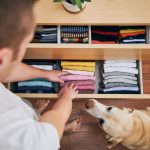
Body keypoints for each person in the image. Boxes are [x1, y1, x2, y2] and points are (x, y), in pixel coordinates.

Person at [0, 0, 80, 150]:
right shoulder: (19, 139)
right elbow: (49, 134)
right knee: (56, 127)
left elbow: (6, 71)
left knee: (31, 110)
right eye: (25, 44)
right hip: (40, 134)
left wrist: (45, 74)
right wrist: (66, 98)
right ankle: (64, 128)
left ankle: (36, 114)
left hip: (26, 115)